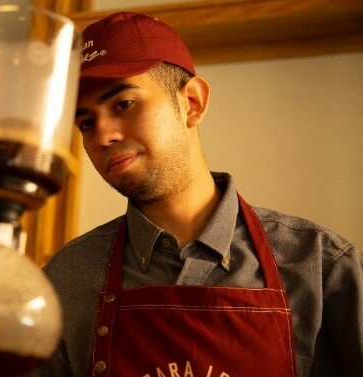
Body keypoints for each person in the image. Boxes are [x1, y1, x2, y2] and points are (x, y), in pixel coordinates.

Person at [29, 11, 362, 377]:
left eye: (123, 104)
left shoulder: (321, 265)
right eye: (86, 123)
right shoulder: (69, 276)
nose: (103, 136)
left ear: (192, 102)